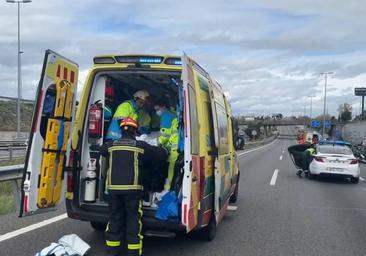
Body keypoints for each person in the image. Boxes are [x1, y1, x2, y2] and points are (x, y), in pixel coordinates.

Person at [100, 117, 167, 256]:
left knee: (114, 219)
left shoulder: (111, 145)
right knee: (133, 220)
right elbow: (159, 154)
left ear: (121, 130)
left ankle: (112, 250)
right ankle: (133, 251)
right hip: (132, 191)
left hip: (113, 191)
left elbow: (101, 150)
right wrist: (165, 149)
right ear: (134, 130)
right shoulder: (140, 146)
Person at [154, 100, 178, 191]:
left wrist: (158, 143)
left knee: (171, 169)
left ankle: (167, 190)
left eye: (157, 109)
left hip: (174, 148)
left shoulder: (166, 116)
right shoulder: (173, 114)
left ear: (163, 106)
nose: (157, 112)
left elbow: (165, 135)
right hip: (176, 145)